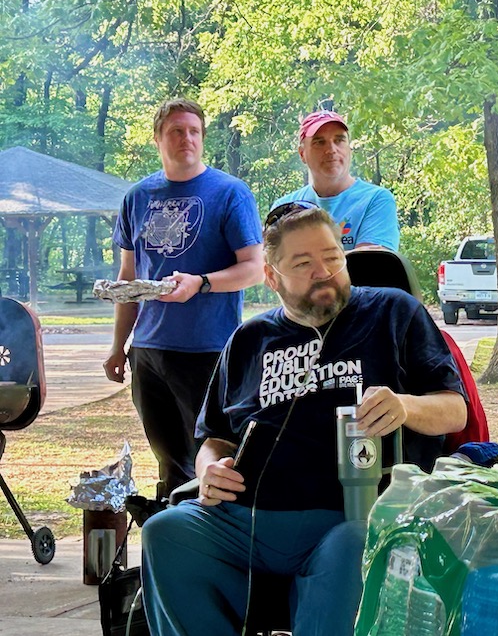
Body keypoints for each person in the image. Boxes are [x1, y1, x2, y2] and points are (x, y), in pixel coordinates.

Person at [140, 201, 467, 636]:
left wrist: (406, 406)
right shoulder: (248, 340)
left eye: (333, 258)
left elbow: (455, 409)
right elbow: (215, 437)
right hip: (248, 517)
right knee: (165, 532)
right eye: (304, 262)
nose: (325, 271)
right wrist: (208, 470)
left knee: (357, 543)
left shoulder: (393, 312)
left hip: (349, 514)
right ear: (272, 277)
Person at [103, 98, 264, 496]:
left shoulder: (229, 193)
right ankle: (170, 535)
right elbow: (129, 279)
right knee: (168, 459)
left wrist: (202, 282)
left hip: (208, 351)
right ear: (157, 138)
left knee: (211, 455)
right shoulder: (138, 197)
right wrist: (118, 346)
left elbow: (255, 267)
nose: (186, 139)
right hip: (149, 352)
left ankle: (209, 539)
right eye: (176, 131)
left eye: (194, 131)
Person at [272, 109, 400, 251]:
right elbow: (274, 266)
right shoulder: (285, 208)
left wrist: (304, 260)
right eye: (320, 142)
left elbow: (370, 266)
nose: (331, 149)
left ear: (349, 148)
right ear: (302, 154)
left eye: (339, 140)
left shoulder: (376, 199)